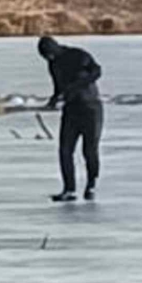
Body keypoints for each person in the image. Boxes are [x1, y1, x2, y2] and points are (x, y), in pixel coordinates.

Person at [38, 36, 103, 202]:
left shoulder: (78, 55)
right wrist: (54, 99)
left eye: (50, 55)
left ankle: (91, 184)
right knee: (65, 150)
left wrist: (77, 85)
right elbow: (58, 87)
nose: (49, 59)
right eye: (45, 57)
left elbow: (97, 72)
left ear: (55, 49)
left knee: (89, 150)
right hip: (71, 109)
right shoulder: (53, 64)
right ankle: (69, 189)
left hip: (91, 108)